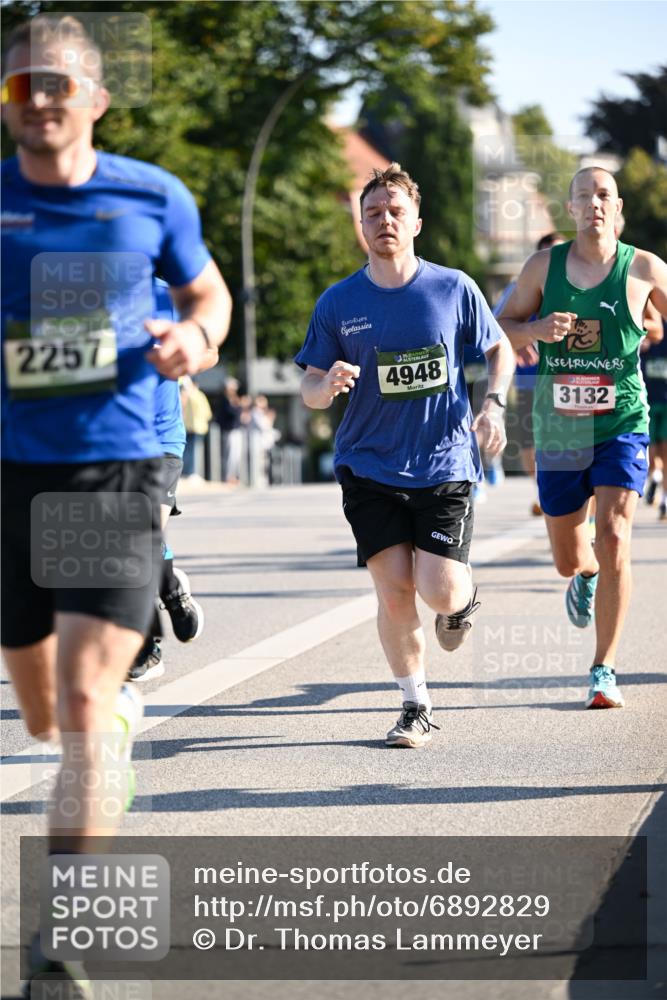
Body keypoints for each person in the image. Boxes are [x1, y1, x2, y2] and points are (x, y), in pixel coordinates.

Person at [0, 15, 231, 993]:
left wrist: (196, 341)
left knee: (87, 704)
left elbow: (209, 298)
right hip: (9, 471)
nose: (40, 100)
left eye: (56, 83)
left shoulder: (151, 193)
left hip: (117, 465)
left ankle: (62, 937)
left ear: (93, 97)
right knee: (45, 711)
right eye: (19, 87)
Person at [296, 163, 514, 748]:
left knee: (438, 589)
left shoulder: (453, 287)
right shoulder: (339, 302)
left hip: (443, 461)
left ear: (416, 221)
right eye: (373, 213)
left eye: (395, 211)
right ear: (361, 226)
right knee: (394, 589)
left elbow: (501, 349)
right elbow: (310, 390)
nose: (384, 220)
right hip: (367, 464)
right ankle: (414, 704)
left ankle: (460, 603)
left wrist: (492, 404)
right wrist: (327, 385)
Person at [498, 166, 667, 709]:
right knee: (571, 557)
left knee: (615, 535)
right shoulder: (543, 267)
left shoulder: (643, 267)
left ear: (618, 209)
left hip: (622, 421)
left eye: (604, 195)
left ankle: (604, 668)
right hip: (560, 425)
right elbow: (499, 326)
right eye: (583, 196)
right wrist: (535, 331)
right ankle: (584, 574)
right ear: (569, 209)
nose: (594, 204)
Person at [127, 280, 212, 683]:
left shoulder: (169, 294)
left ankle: (146, 649)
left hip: (160, 439)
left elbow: (210, 350)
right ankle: (170, 587)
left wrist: (182, 357)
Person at [494, 233, 566, 516]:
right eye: (549, 254)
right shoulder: (520, 286)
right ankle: (545, 493)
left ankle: (584, 514)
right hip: (529, 381)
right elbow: (496, 329)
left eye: (560, 253)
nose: (555, 260)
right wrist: (519, 339)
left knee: (574, 452)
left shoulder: (580, 285)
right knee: (529, 448)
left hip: (568, 383)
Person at [641, 318, 667, 519]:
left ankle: (665, 502)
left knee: (665, 453)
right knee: (651, 454)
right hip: (647, 400)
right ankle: (655, 477)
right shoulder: (648, 324)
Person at [180, 375, 213, 478]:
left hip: (187, 427)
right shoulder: (199, 395)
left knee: (188, 451)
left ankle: (187, 472)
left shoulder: (185, 395)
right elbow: (208, 413)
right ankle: (192, 473)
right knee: (195, 451)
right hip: (198, 427)